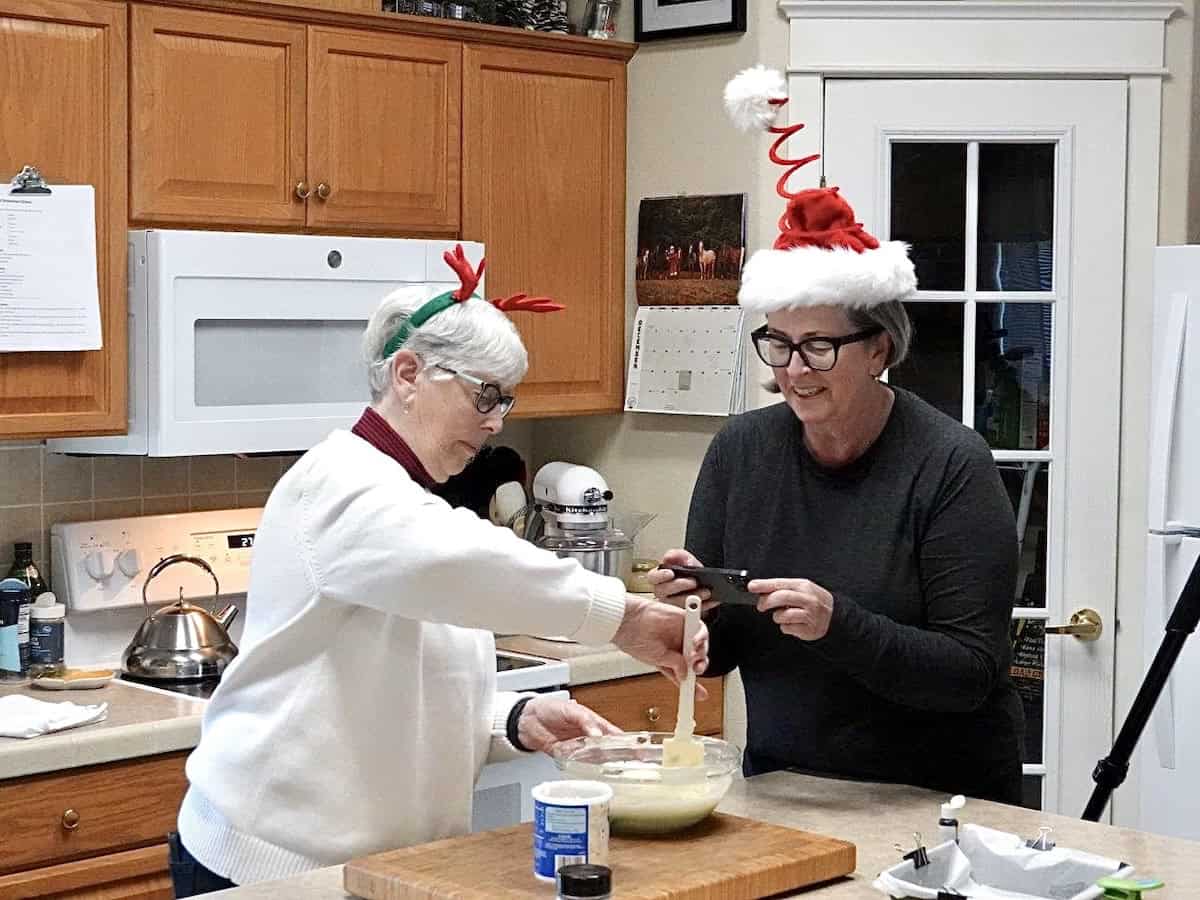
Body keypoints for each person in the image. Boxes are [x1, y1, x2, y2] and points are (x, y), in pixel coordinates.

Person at [170, 245, 708, 895]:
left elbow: (409, 669)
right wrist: (620, 614)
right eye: (484, 394)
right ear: (407, 373)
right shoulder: (341, 485)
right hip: (270, 864)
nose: (496, 420)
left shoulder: (406, 502)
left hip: (379, 868)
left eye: (505, 400)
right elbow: (455, 561)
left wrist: (510, 718)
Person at [650, 66, 1023, 804]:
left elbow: (969, 670)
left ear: (880, 347)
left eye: (818, 346)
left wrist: (837, 624)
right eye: (778, 344)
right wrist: (690, 618)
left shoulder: (949, 464)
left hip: (940, 800)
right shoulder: (741, 453)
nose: (794, 371)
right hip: (788, 787)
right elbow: (721, 654)